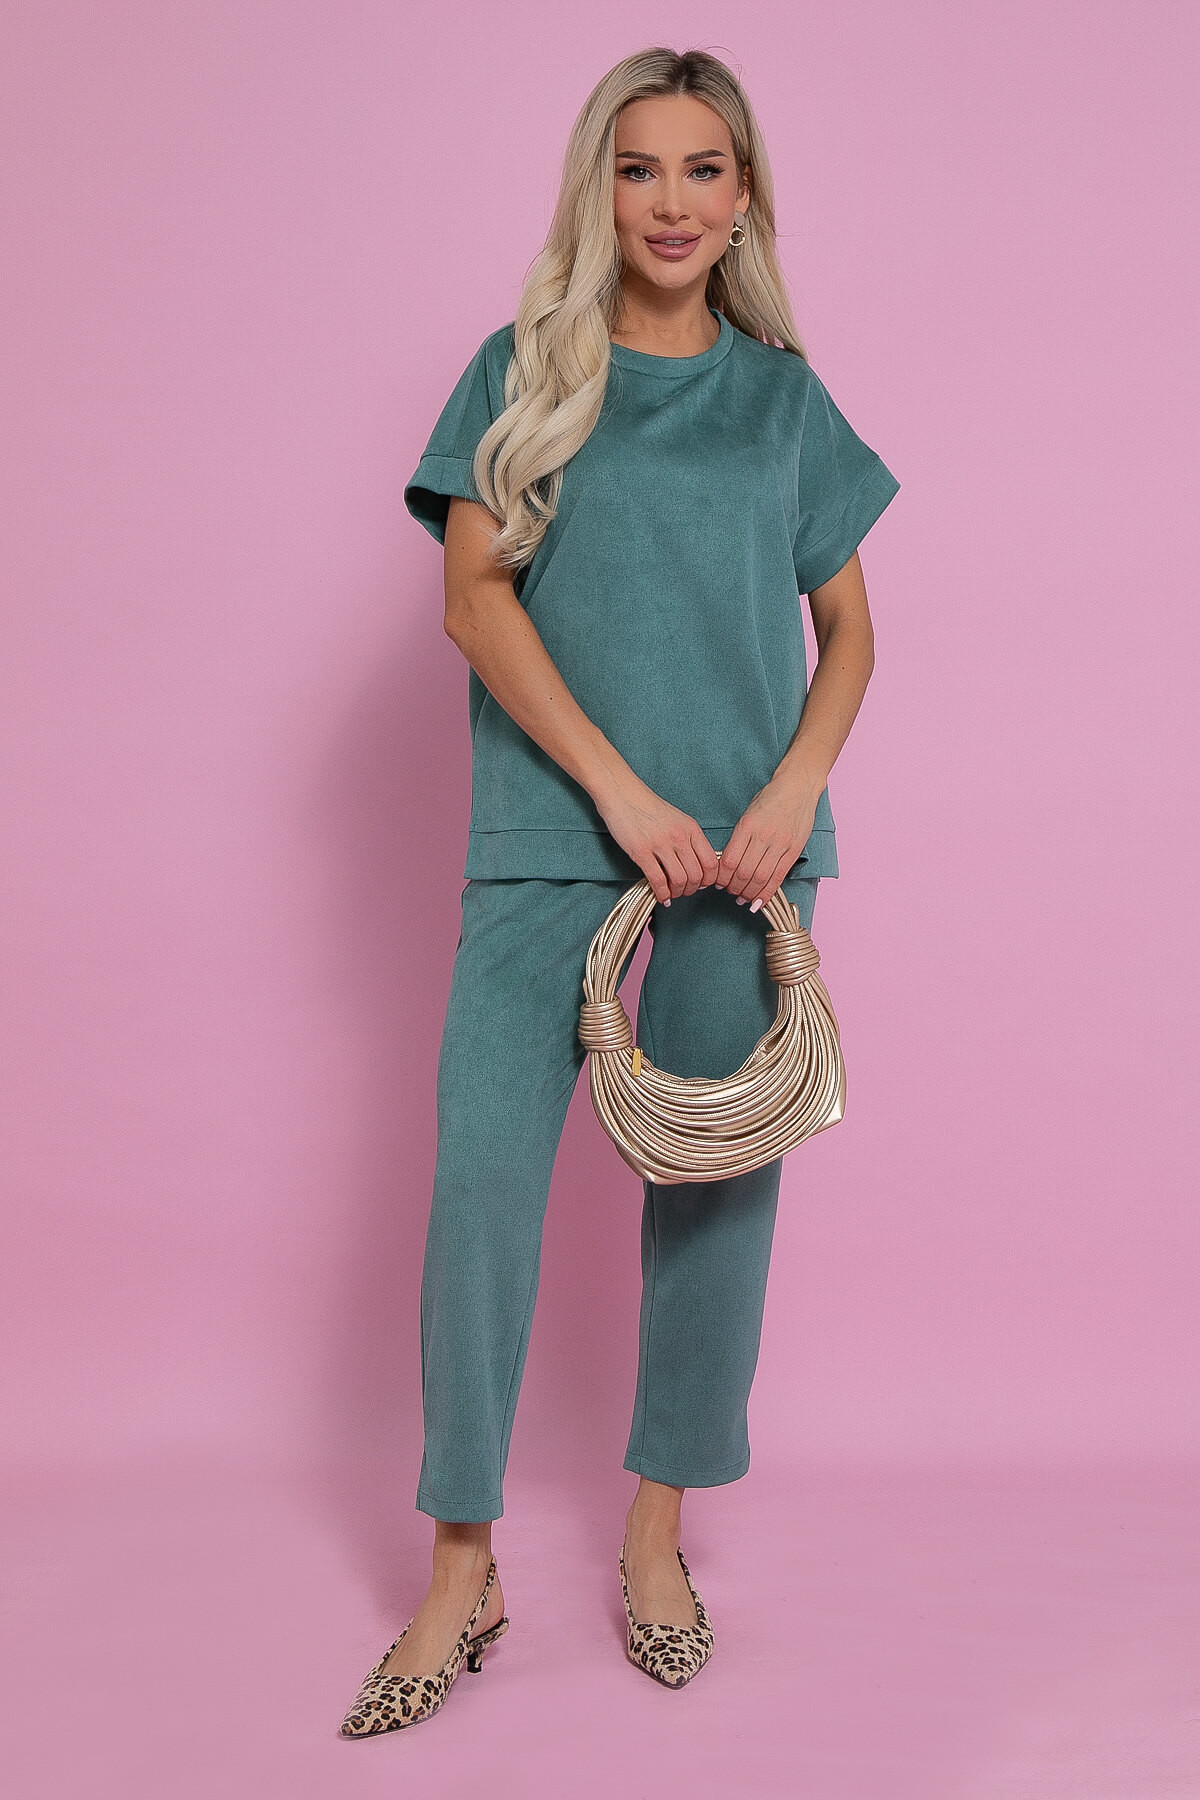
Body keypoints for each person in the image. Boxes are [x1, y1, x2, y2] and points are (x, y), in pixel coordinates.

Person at [339, 44, 900, 1737]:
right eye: (639, 167)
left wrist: (789, 792)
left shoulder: (784, 401)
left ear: (744, 195)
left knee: (715, 1190)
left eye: (703, 168)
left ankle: (658, 1538)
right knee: (480, 1188)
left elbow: (850, 633)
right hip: (553, 831)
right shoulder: (524, 370)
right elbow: (474, 604)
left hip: (741, 859)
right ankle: (463, 1563)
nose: (671, 201)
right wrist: (616, 788)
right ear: (601, 187)